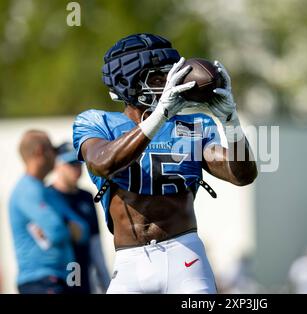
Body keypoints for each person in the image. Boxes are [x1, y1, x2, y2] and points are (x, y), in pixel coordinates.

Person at [72, 33, 257, 293]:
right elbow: (102, 163)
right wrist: (160, 115)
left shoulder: (192, 127)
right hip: (129, 263)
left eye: (172, 76)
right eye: (159, 78)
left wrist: (230, 120)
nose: (169, 86)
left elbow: (242, 176)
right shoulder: (96, 122)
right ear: (128, 83)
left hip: (185, 259)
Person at [9, 130, 89, 294]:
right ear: (40, 152)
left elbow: (83, 230)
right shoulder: (27, 190)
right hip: (39, 282)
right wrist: (65, 225)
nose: (56, 156)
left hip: (58, 279)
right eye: (53, 150)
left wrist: (61, 225)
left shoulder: (46, 192)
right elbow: (56, 232)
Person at [49, 142, 110, 293]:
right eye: (70, 164)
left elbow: (95, 244)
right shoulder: (47, 196)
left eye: (78, 164)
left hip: (82, 276)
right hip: (57, 277)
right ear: (58, 165)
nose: (76, 169)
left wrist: (106, 282)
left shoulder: (86, 197)